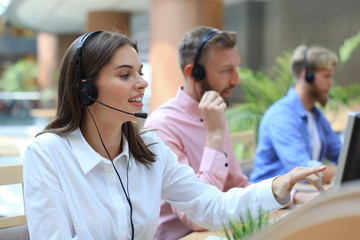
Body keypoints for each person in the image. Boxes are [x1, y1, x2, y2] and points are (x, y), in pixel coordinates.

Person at [23, 31, 325, 240]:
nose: (142, 83)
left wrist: (278, 186)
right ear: (84, 89)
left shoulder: (149, 147)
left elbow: (212, 208)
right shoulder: (48, 155)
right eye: (125, 74)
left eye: (140, 72)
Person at [144, 26, 315, 240]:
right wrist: (214, 135)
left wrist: (295, 196)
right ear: (193, 73)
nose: (236, 79)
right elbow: (196, 219)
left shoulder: (215, 110)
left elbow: (237, 185)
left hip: (222, 230)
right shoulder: (161, 126)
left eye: (236, 68)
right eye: (226, 70)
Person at [250, 45, 342, 183]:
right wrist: (347, 173)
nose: (331, 83)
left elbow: (341, 153)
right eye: (326, 76)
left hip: (300, 193)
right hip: (273, 201)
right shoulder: (281, 116)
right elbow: (302, 171)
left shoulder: (316, 115)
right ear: (307, 75)